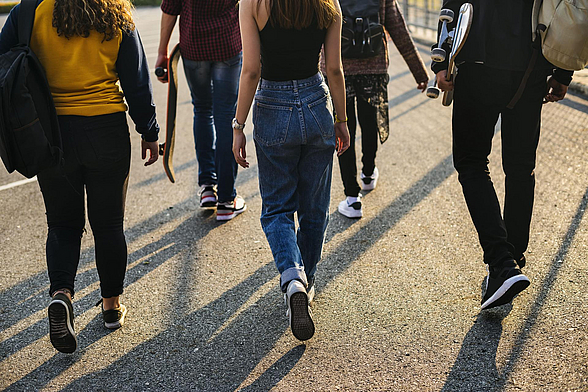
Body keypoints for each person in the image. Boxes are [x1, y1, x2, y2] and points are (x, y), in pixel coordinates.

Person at [0, 0, 160, 353]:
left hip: (50, 134)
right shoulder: (116, 12)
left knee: (62, 224)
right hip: (106, 131)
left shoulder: (29, 11)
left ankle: (61, 295)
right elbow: (136, 79)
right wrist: (148, 129)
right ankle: (111, 307)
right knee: (108, 225)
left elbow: (4, 64)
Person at [433, 0, 573, 310]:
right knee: (521, 167)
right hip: (532, 63)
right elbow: (564, 6)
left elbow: (451, 8)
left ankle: (502, 264)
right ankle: (513, 259)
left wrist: (441, 60)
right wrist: (563, 72)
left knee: (470, 162)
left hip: (478, 59)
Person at [233, 0, 350, 340]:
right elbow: (334, 69)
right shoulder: (329, 3)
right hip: (316, 104)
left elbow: (251, 70)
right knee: (314, 210)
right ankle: (305, 282)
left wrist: (238, 125)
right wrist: (341, 120)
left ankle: (292, 276)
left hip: (272, 106)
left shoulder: (251, 4)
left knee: (277, 209)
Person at [335, 0, 429, 219]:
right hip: (373, 66)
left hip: (338, 68)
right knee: (369, 123)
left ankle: (351, 198)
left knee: (343, 127)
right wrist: (419, 71)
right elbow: (398, 28)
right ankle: (368, 173)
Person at [156, 0, 246, 221]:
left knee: (203, 110)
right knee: (226, 116)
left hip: (194, 47)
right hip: (228, 45)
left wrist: (162, 51)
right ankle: (226, 200)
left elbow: (170, 9)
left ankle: (208, 187)